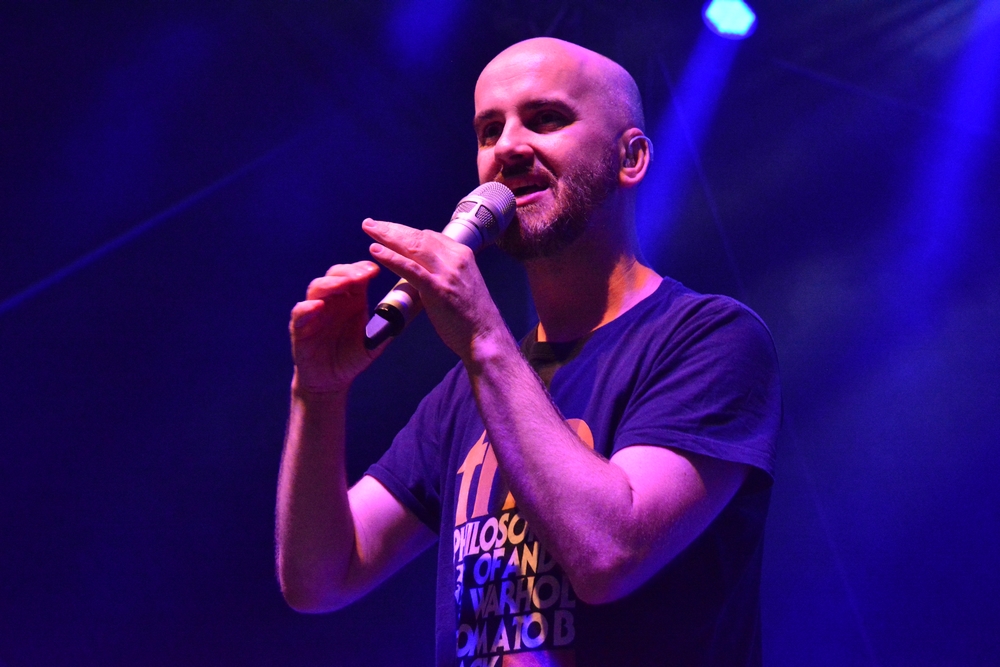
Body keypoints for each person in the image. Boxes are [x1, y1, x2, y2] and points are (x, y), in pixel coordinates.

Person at [276, 37, 781, 667]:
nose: (508, 147)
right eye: (489, 131)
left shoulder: (709, 339)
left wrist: (483, 340)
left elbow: (609, 555)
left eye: (545, 119)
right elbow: (321, 577)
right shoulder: (468, 390)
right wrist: (317, 393)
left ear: (630, 158)